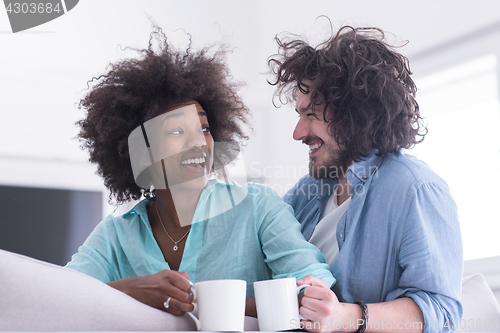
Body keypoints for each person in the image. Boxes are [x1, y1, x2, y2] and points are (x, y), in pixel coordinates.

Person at [65, 26, 335, 321]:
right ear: (143, 153)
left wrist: (199, 301)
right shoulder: (116, 235)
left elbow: (313, 294)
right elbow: (59, 298)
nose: (197, 142)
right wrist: (132, 291)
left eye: (204, 129)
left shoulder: (257, 207)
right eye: (177, 130)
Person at [268, 25, 462, 333]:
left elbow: (441, 309)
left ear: (354, 113)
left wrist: (346, 317)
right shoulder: (305, 193)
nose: (298, 133)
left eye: (312, 115)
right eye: (298, 115)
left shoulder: (415, 188)